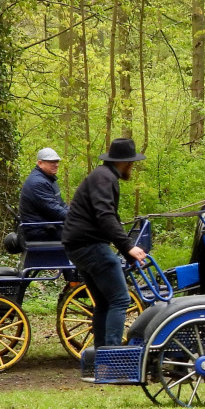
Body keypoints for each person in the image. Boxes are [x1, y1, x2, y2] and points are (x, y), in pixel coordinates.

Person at [62, 137, 148, 352]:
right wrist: (128, 246)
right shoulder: (105, 178)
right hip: (90, 245)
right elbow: (105, 216)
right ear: (126, 162)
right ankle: (113, 356)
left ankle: (100, 360)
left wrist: (127, 254)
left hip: (79, 246)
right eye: (132, 163)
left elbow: (108, 218)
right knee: (120, 300)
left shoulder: (102, 176)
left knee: (103, 303)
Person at [19, 147, 68, 240]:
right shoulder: (38, 183)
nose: (56, 165)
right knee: (83, 237)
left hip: (48, 227)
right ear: (40, 163)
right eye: (52, 162)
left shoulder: (49, 179)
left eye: (57, 162)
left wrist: (78, 214)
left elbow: (61, 205)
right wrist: (79, 218)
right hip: (39, 231)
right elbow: (54, 210)